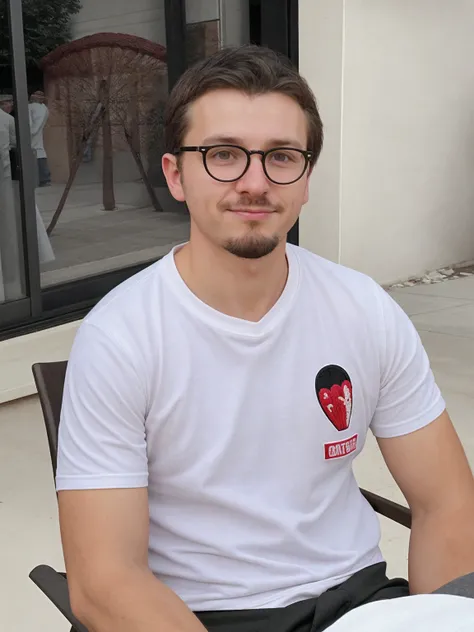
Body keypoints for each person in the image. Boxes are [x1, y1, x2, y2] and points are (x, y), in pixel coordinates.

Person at [55, 45, 474, 632]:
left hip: (358, 601)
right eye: (223, 154)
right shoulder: (121, 337)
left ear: (305, 180)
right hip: (202, 616)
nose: (254, 182)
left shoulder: (363, 309)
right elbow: (105, 583)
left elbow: (448, 503)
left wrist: (444, 614)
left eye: (280, 157)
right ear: (176, 175)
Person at [29, 90, 51, 186]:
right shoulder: (40, 107)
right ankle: (43, 178)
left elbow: (37, 123)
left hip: (33, 134)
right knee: (38, 151)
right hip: (34, 134)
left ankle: (43, 178)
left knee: (38, 152)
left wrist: (30, 133)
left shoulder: (38, 108)